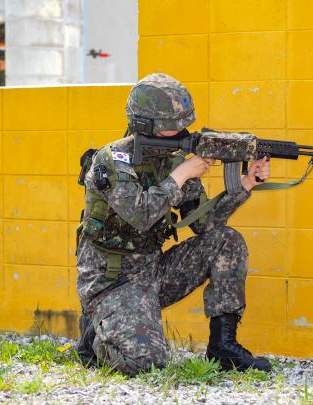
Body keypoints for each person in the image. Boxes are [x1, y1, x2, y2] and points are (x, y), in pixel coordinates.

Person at [75, 73, 272, 376]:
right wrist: (181, 175)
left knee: (226, 240)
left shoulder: (172, 158)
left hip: (153, 272)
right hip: (112, 281)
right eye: (171, 126)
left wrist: (246, 183)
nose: (180, 131)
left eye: (183, 124)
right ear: (145, 125)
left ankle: (223, 346)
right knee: (147, 363)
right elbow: (140, 214)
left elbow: (205, 224)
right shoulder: (113, 160)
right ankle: (94, 336)